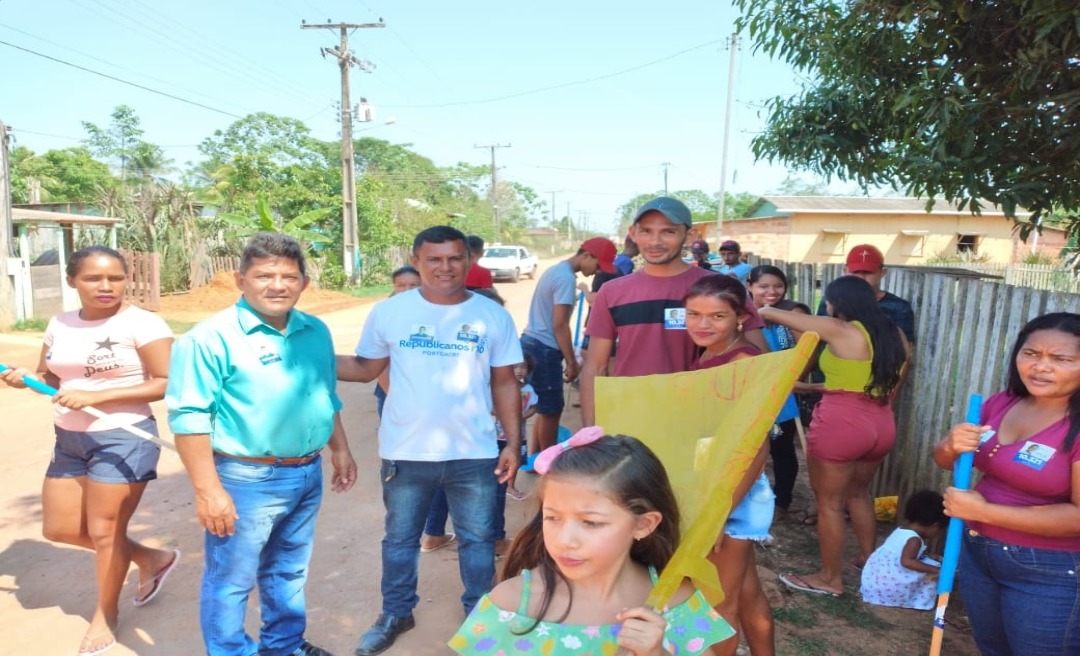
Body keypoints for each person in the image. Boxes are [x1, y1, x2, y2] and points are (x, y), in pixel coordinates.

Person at [166, 233, 358, 656]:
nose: (277, 285)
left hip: (306, 472)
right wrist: (208, 491)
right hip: (246, 479)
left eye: (289, 276)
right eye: (264, 275)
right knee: (231, 581)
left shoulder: (315, 331)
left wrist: (338, 448)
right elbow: (189, 419)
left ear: (304, 282)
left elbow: (324, 394)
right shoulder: (209, 338)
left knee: (289, 570)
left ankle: (284, 646)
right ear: (240, 280)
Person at [338, 225, 524, 655]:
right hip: (406, 452)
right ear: (417, 260)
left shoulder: (491, 315)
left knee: (478, 542)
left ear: (468, 260)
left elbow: (504, 382)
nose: (445, 267)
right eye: (434, 259)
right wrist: (308, 355)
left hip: (474, 451)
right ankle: (396, 612)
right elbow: (366, 369)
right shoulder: (391, 312)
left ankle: (480, 615)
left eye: (454, 258)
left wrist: (512, 444)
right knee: (400, 540)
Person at [0, 245, 178, 656]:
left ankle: (105, 615)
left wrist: (102, 395)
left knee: (104, 532)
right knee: (59, 528)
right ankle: (151, 558)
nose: (105, 286)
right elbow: (50, 374)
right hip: (69, 437)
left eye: (115, 278)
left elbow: (167, 381)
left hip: (124, 435)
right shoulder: (60, 323)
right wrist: (24, 378)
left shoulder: (143, 323)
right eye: (93, 278)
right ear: (72, 281)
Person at [449, 430, 735, 654]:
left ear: (643, 524)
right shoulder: (511, 605)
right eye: (552, 518)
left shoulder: (676, 602)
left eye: (591, 523)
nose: (565, 540)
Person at [933, 312, 1080, 654]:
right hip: (978, 553)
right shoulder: (1005, 401)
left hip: (1050, 570)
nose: (1041, 367)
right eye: (1031, 353)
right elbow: (944, 460)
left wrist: (986, 511)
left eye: (1061, 359)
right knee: (992, 649)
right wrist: (949, 444)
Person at [761, 275, 909, 597]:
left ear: (837, 302)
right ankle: (868, 560)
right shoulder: (894, 334)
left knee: (828, 503)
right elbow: (896, 380)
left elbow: (772, 314)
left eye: (828, 301)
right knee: (858, 492)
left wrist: (759, 308)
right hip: (881, 420)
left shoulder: (840, 328)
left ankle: (830, 578)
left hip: (842, 423)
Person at [580, 196, 768, 427]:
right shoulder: (612, 292)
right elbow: (595, 367)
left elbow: (760, 363)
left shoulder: (720, 288)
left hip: (700, 420)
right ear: (633, 233)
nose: (654, 241)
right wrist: (589, 430)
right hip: (630, 418)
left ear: (690, 235)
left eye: (668, 232)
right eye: (646, 231)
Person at [684, 275, 775, 656]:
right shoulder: (710, 353)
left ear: (741, 317)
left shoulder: (743, 362)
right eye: (694, 314)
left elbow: (757, 446)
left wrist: (721, 510)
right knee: (747, 593)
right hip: (715, 484)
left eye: (717, 316)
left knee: (718, 606)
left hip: (730, 492)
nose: (702, 325)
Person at [521, 237, 616, 453]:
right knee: (552, 410)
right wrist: (572, 362)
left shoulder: (556, 271)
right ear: (586, 255)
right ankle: (550, 463)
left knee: (545, 409)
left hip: (533, 343)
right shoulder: (565, 279)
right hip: (543, 347)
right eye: (597, 265)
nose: (597, 271)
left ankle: (538, 457)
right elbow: (560, 324)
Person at [747, 265, 811, 513]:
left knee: (782, 449)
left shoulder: (790, 313)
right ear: (750, 286)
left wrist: (795, 378)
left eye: (778, 286)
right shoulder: (739, 313)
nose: (772, 292)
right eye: (764, 286)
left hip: (781, 393)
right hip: (748, 392)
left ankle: (782, 500)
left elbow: (807, 350)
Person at [859, 490, 946, 610]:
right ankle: (920, 602)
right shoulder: (914, 540)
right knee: (933, 569)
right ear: (935, 525)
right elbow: (907, 562)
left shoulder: (900, 530)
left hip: (873, 585)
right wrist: (936, 570)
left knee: (927, 562)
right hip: (889, 589)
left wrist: (928, 555)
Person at [817, 244, 916, 344]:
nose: (861, 277)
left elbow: (905, 348)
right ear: (845, 271)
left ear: (882, 272)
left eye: (867, 272)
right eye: (855, 272)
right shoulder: (831, 301)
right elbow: (819, 336)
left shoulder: (898, 307)